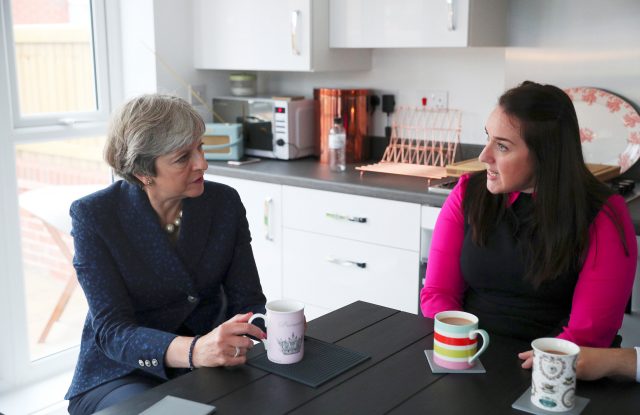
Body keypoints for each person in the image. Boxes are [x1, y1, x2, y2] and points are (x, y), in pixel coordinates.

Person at [65, 94, 267, 415]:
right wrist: (193, 351)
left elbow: (249, 301)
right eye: (183, 157)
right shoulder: (95, 215)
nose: (202, 163)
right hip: (124, 370)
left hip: (210, 362)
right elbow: (112, 331)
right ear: (145, 171)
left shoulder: (223, 202)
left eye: (200, 148)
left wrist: (270, 332)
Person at [420, 81, 637, 355]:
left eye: (502, 146)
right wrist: (460, 346)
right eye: (488, 137)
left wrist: (534, 366)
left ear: (545, 155)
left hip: (558, 367)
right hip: (471, 352)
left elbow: (591, 330)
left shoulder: (603, 214)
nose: (483, 156)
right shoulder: (467, 193)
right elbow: (438, 292)